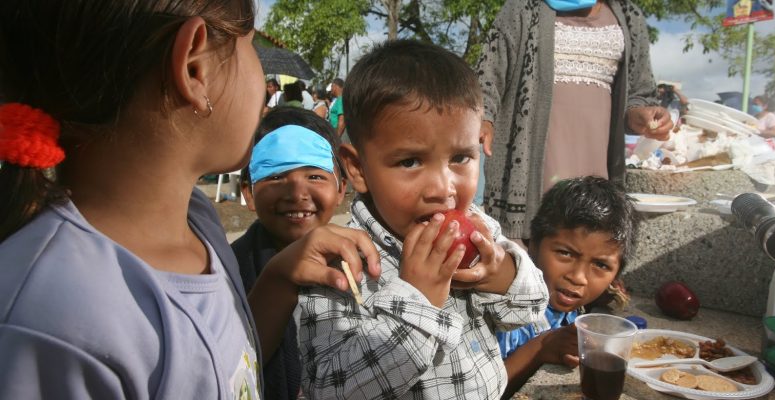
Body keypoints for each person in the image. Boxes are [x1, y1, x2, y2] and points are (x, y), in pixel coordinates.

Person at [0, 1, 381, 398]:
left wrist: (279, 277)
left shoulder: (196, 219)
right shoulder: (49, 318)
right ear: (195, 68)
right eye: (249, 47)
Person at [298, 39, 549, 399]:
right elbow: (330, 389)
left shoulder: (480, 231)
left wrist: (498, 273)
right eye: (410, 162)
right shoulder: (340, 268)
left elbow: (533, 308)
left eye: (461, 157)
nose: (443, 188)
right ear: (357, 168)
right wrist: (417, 301)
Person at [476, 0, 671, 243]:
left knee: (587, 243)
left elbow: (639, 93)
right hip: (531, 171)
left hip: (596, 165)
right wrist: (483, 118)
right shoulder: (522, 8)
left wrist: (642, 115)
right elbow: (489, 75)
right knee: (533, 250)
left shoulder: (629, 16)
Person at [232, 107, 347, 400]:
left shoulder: (364, 263)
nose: (297, 192)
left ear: (341, 188)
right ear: (248, 191)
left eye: (314, 175)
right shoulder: (228, 271)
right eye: (276, 176)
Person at [498, 176, 639, 398]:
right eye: (565, 253)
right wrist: (540, 349)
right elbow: (477, 390)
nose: (578, 277)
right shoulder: (504, 308)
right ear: (532, 245)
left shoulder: (568, 304)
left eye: (600, 265)